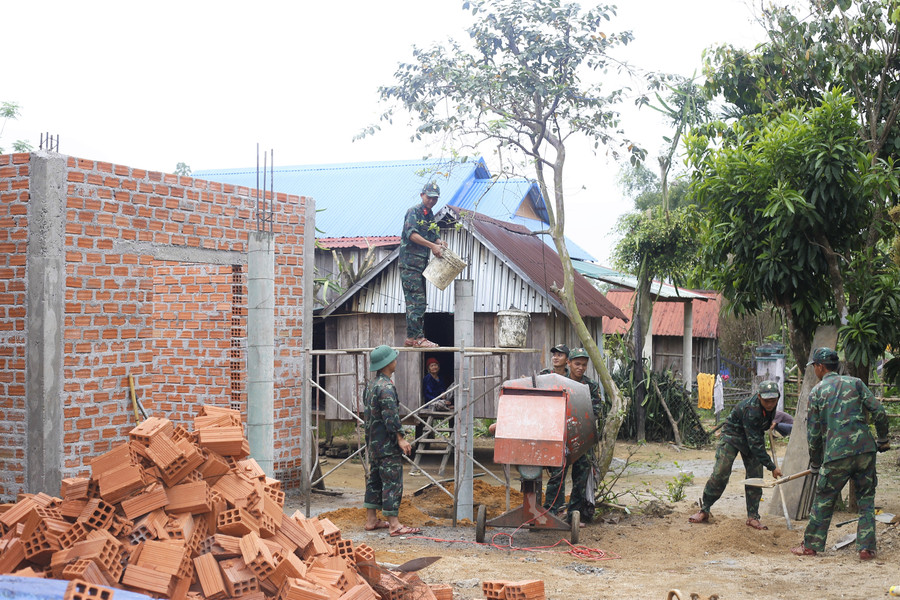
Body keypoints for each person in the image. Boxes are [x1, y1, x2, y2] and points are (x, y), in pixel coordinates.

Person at [791, 347, 890, 560]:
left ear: (820, 367)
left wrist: (815, 462)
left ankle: (811, 545)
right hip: (865, 450)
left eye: (814, 367)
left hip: (836, 454)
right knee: (866, 498)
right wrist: (882, 439)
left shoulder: (816, 392)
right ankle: (866, 548)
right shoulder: (856, 383)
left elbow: (813, 433)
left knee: (824, 498)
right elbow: (879, 411)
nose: (814, 370)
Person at [689, 380, 783, 530]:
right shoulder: (751, 409)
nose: (770, 404)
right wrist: (772, 466)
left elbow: (759, 431)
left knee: (755, 477)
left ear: (777, 397)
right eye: (767, 401)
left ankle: (753, 517)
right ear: (759, 397)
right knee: (721, 472)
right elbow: (755, 445)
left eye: (773, 400)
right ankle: (704, 510)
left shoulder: (771, 403)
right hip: (732, 435)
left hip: (752, 435)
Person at [362, 345, 422, 537]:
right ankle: (394, 525)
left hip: (373, 443)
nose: (396, 361)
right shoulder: (386, 387)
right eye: (394, 358)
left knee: (374, 480)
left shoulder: (371, 385)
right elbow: (391, 416)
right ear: (388, 363)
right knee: (392, 482)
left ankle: (371, 520)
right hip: (387, 445)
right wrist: (400, 439)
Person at [543, 348, 603, 524]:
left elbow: (597, 410)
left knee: (581, 477)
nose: (580, 368)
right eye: (577, 364)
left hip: (582, 437)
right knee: (557, 474)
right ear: (569, 363)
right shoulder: (559, 381)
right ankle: (550, 512)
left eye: (584, 365)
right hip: (560, 436)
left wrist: (577, 417)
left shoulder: (590, 385)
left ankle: (574, 515)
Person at [399, 181, 446, 348]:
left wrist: (439, 242)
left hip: (421, 265)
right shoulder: (414, 212)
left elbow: (434, 234)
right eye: (429, 197)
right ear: (422, 195)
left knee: (418, 301)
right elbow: (412, 235)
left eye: (435, 198)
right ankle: (418, 338)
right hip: (410, 264)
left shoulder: (429, 215)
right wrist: (432, 246)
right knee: (416, 302)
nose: (432, 201)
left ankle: (411, 338)